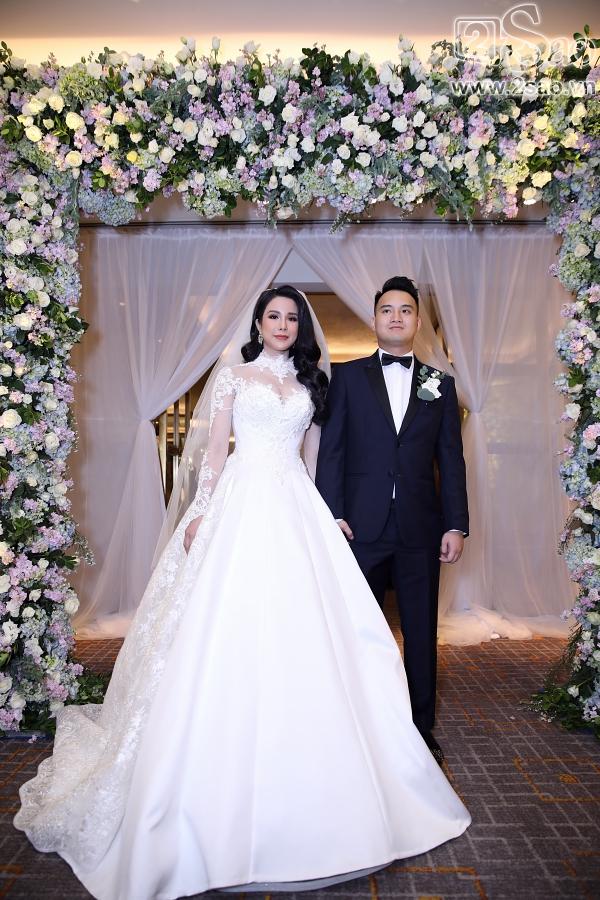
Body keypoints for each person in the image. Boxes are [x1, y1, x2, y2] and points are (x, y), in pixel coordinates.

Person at [14, 286, 470, 900]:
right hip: (240, 502)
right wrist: (202, 510)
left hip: (296, 506)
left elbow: (318, 457)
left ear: (301, 327)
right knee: (226, 623)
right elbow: (213, 455)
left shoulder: (314, 385)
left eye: (291, 317)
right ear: (258, 323)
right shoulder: (233, 377)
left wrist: (328, 514)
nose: (283, 324)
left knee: (314, 631)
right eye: (273, 316)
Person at [316, 276, 469, 766]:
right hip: (359, 529)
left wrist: (455, 524)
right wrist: (332, 515)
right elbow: (332, 453)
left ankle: (420, 732)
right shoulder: (346, 378)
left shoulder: (440, 385)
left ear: (417, 321)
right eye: (387, 310)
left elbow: (451, 459)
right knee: (358, 631)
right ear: (374, 319)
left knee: (421, 634)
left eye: (405, 310)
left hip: (421, 530)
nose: (396, 317)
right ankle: (359, 728)